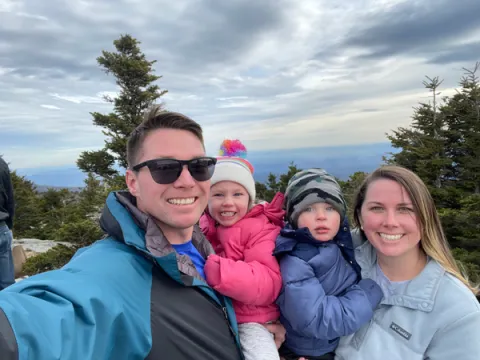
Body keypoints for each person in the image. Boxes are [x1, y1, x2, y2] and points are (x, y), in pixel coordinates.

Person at [0, 107, 285, 359]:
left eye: (199, 167)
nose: (187, 181)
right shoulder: (112, 273)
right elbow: (39, 321)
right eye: (164, 168)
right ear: (133, 182)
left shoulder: (202, 244)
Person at [334, 165, 480, 360]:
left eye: (405, 209)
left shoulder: (457, 311)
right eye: (377, 208)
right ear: (360, 216)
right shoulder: (337, 259)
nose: (391, 222)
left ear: (424, 218)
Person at [274, 168, 383, 360]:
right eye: (308, 209)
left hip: (331, 344)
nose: (321, 216)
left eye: (330, 208)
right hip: (311, 352)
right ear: (293, 217)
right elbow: (317, 319)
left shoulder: (335, 242)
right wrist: (367, 294)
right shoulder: (296, 259)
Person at [200, 139, 284, 360]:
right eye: (218, 194)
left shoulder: (260, 229)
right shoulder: (202, 226)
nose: (228, 202)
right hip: (216, 317)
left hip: (252, 319)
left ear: (249, 199)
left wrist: (220, 271)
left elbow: (268, 283)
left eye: (237, 194)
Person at [0, 156, 15, 290]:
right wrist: (9, 226)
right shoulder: (2, 164)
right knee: (7, 285)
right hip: (2, 227)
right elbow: (10, 198)